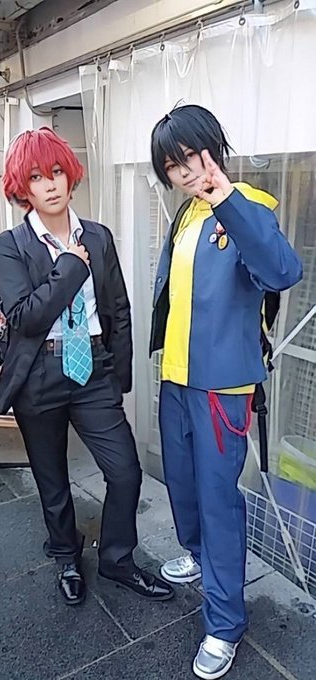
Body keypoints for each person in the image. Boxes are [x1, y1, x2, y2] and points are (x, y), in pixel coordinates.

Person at [149, 104, 303, 679]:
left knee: (218, 501)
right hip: (176, 378)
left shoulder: (248, 207)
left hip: (222, 388)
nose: (186, 171)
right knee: (183, 488)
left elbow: (283, 272)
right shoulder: (185, 216)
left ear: (214, 147)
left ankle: (225, 622)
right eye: (173, 165)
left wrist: (227, 202)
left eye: (192, 156)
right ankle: (197, 555)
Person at [0, 127, 174, 606]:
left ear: (70, 176)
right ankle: (66, 557)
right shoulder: (11, 245)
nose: (50, 184)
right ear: (22, 187)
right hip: (39, 373)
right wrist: (71, 266)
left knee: (126, 471)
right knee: (52, 479)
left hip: (93, 369)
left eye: (56, 172)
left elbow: (118, 308)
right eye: (36, 177)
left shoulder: (98, 235)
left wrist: (118, 375)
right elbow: (25, 317)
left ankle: (117, 559)